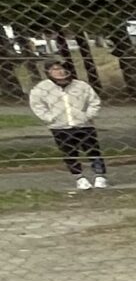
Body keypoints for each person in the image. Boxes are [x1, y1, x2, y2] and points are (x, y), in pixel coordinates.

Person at [30, 60, 106, 190]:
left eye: (61, 69)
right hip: (60, 127)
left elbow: (94, 102)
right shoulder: (41, 89)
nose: (59, 72)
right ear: (48, 72)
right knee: (69, 152)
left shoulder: (81, 86)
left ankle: (100, 176)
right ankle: (79, 177)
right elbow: (37, 106)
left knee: (93, 150)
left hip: (84, 125)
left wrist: (87, 116)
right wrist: (49, 118)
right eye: (54, 69)